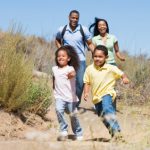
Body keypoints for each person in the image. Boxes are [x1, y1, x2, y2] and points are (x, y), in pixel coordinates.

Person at [83, 45, 129, 142]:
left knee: (107, 108)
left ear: (106, 58)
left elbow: (121, 73)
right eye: (95, 56)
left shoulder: (110, 68)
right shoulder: (89, 69)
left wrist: (124, 78)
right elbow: (87, 82)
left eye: (100, 57)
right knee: (103, 117)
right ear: (92, 56)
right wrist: (86, 92)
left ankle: (118, 132)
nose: (97, 58)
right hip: (96, 98)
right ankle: (114, 135)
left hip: (108, 93)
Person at [55, 10, 94, 108]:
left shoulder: (83, 29)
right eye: (73, 17)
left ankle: (75, 103)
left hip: (80, 60)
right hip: (67, 61)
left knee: (80, 83)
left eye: (77, 18)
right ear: (69, 17)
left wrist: (96, 53)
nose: (75, 20)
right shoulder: (62, 29)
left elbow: (90, 44)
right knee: (65, 82)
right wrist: (61, 50)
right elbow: (57, 40)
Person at [52, 45, 83, 141]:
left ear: (68, 58)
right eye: (58, 56)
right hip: (59, 96)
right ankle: (64, 129)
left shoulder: (70, 68)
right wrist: (53, 87)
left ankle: (78, 132)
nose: (60, 57)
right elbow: (54, 79)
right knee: (58, 109)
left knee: (73, 116)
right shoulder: (54, 69)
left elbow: (73, 73)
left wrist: (71, 75)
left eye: (63, 56)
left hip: (70, 98)